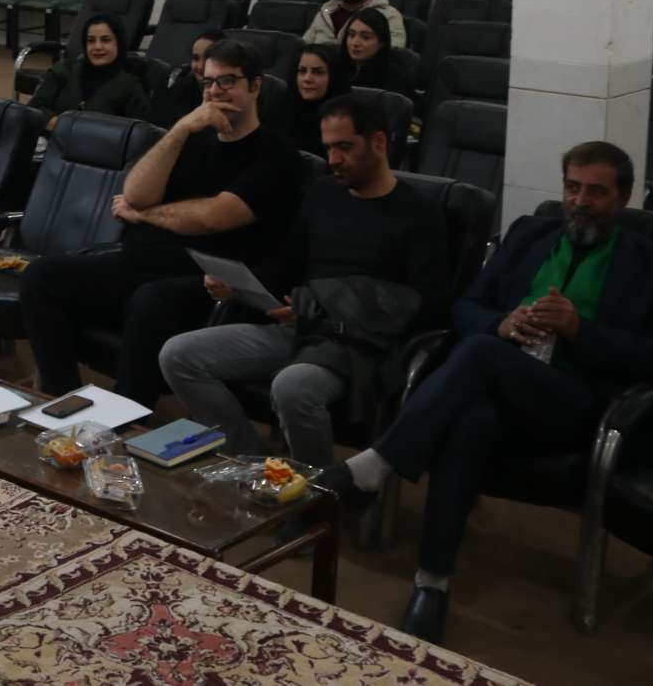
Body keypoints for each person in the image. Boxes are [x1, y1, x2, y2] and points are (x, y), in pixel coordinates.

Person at [327, 142, 653, 646]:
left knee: (479, 354)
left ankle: (377, 463)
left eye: (596, 192)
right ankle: (432, 583)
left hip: (585, 405)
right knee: (469, 421)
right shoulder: (529, 234)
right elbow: (466, 307)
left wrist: (580, 330)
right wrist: (500, 323)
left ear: (623, 197)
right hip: (501, 385)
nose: (580, 202)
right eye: (572, 188)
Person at [158, 95, 451, 468]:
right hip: (300, 328)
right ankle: (255, 464)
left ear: (378, 142)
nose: (334, 159)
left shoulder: (419, 213)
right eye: (328, 148)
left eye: (345, 147)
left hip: (359, 347)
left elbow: (428, 304)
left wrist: (328, 309)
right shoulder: (323, 193)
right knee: (178, 355)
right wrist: (240, 284)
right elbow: (288, 266)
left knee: (292, 386)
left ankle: (319, 492)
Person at [22, 39, 306, 404]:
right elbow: (136, 191)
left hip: (208, 282)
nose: (215, 91)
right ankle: (64, 400)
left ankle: (128, 415)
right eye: (208, 82)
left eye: (227, 81)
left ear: (255, 86)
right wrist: (180, 130)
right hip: (141, 264)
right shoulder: (192, 137)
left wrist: (142, 215)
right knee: (41, 277)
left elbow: (210, 217)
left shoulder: (277, 156)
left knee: (151, 300)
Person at [27, 14, 148, 128]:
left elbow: (139, 132)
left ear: (119, 43)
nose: (97, 46)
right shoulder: (64, 69)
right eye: (91, 40)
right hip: (50, 140)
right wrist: (66, 128)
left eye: (106, 40)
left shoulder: (130, 86)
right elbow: (34, 110)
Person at [148, 27, 226, 128]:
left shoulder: (233, 96)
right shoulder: (178, 87)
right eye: (196, 58)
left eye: (208, 59)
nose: (200, 66)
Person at [285, 42, 350, 156]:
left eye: (318, 72)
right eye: (302, 71)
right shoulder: (281, 109)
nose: (307, 79)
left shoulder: (347, 120)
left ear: (334, 77)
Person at [341, 8, 415, 100]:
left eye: (366, 37)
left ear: (382, 42)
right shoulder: (335, 67)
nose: (355, 43)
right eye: (351, 35)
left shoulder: (394, 78)